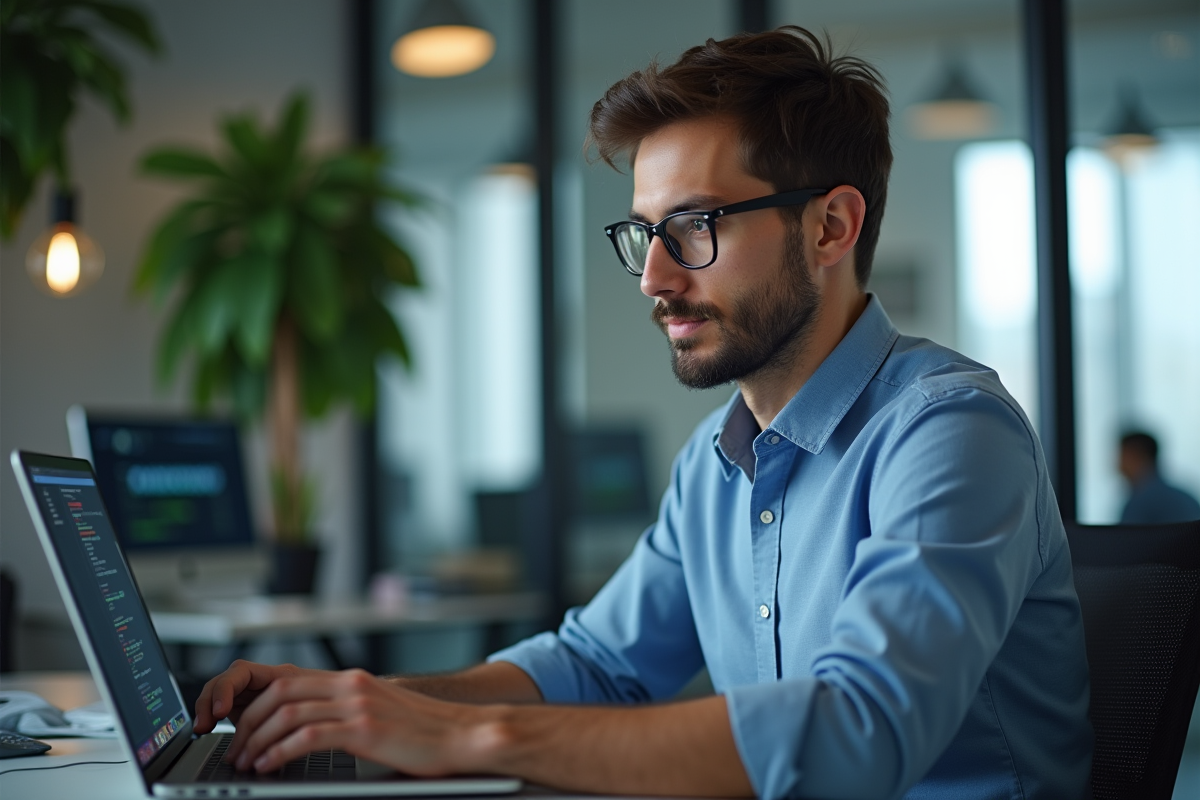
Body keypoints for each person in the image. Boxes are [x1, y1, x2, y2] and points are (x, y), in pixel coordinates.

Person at [194, 27, 1092, 799]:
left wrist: (467, 740)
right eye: (645, 235)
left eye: (696, 226)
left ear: (830, 228)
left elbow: (858, 733)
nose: (657, 280)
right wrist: (361, 705)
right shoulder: (714, 462)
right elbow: (596, 668)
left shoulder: (949, 432)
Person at [1118, 430, 1200, 523]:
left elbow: (1127, 537)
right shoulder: (1187, 498)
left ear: (1133, 455)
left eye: (1121, 455)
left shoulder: (1139, 503)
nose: (1117, 463)